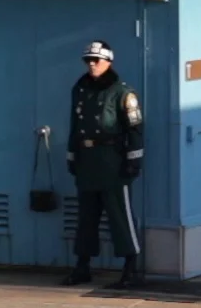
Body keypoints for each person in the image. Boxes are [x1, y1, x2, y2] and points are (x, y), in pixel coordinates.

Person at [61, 40, 145, 290]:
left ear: (108, 61)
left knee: (120, 216)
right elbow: (75, 126)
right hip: (88, 160)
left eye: (96, 60)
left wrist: (133, 160)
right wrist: (72, 155)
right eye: (88, 60)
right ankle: (82, 266)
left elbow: (135, 128)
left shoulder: (122, 92)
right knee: (86, 217)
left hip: (112, 161)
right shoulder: (81, 88)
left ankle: (131, 267)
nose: (91, 64)